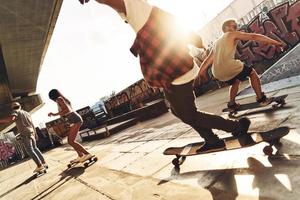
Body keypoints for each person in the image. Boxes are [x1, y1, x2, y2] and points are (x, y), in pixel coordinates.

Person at [78, 0, 253, 152]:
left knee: (189, 114)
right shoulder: (146, 13)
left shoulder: (137, 9)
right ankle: (211, 139)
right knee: (177, 111)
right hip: (171, 75)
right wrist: (195, 40)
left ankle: (236, 127)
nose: (124, 18)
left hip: (177, 73)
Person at [197, 19, 284, 110]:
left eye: (236, 26)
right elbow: (254, 36)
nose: (236, 28)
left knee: (235, 82)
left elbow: (208, 61)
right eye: (234, 26)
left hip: (217, 72)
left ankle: (232, 104)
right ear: (226, 28)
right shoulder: (232, 34)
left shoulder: (216, 42)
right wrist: (276, 43)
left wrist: (199, 74)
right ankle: (261, 99)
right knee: (252, 73)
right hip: (229, 66)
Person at [0, 102, 48, 173]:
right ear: (20, 106)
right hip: (31, 132)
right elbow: (32, 124)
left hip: (25, 133)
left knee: (30, 150)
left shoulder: (15, 112)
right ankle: (44, 163)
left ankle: (39, 165)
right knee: (35, 148)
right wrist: (35, 134)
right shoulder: (26, 113)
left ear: (12, 108)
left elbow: (11, 119)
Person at [48, 89, 93, 162]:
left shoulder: (59, 99)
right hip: (73, 120)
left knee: (71, 141)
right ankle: (80, 155)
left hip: (75, 120)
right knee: (71, 140)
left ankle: (87, 153)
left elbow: (67, 110)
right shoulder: (62, 99)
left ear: (53, 97)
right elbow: (66, 110)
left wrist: (54, 114)